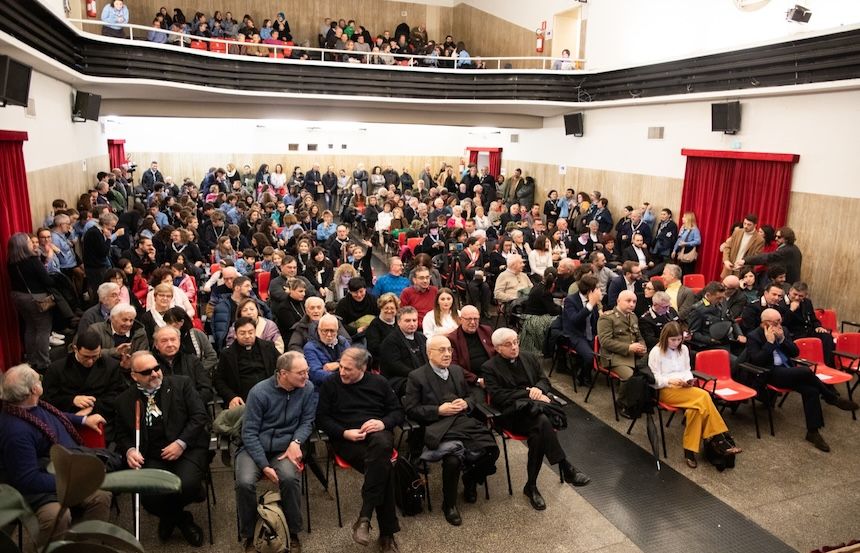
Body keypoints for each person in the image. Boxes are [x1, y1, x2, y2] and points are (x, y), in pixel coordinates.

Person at [0, 364, 111, 547]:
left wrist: (82, 419)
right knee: (57, 515)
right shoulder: (16, 432)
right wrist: (72, 482)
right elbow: (27, 479)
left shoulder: (29, 407)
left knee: (101, 496)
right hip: (38, 488)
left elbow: (55, 416)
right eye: (39, 379)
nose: (40, 381)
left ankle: (88, 548)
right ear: (34, 389)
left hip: (63, 470)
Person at [483, 328, 590, 511]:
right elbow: (499, 397)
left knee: (539, 430)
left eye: (516, 341)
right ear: (498, 348)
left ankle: (531, 486)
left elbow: (544, 380)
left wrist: (538, 389)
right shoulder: (490, 368)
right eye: (509, 344)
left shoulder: (529, 357)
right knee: (542, 423)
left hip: (537, 412)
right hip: (512, 415)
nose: (514, 347)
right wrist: (528, 393)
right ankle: (565, 467)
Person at [113, 351, 209, 546]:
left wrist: (180, 443)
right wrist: (130, 450)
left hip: (186, 448)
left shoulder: (181, 384)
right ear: (134, 376)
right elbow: (121, 434)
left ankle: (170, 517)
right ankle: (181, 519)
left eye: (156, 368)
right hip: (151, 454)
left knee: (186, 485)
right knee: (149, 497)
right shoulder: (124, 400)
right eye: (147, 372)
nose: (155, 374)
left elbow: (199, 416)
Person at [316, 348, 405, 553]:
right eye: (341, 367)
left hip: (377, 434)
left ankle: (365, 518)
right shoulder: (331, 384)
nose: (342, 373)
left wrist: (382, 422)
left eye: (348, 369)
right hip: (347, 439)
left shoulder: (379, 383)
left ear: (363, 368)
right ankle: (387, 534)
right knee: (384, 470)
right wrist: (344, 432)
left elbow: (398, 412)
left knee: (382, 448)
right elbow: (321, 418)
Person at [403, 335, 499, 526]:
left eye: (449, 349)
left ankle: (470, 479)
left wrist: (466, 402)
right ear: (429, 353)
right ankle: (449, 504)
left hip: (461, 422)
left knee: (491, 448)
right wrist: (438, 410)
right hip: (437, 426)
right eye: (442, 350)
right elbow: (411, 409)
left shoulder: (455, 371)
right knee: (453, 460)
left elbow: (472, 396)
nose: (447, 354)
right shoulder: (417, 376)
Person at [742, 309, 858, 452]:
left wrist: (782, 339)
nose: (779, 324)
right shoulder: (754, 336)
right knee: (805, 370)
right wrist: (770, 343)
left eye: (780, 321)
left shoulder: (782, 330)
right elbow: (757, 360)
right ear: (765, 323)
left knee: (811, 390)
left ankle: (813, 432)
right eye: (775, 322)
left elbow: (795, 352)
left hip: (788, 371)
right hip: (770, 373)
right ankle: (830, 397)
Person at [236, 352, 317, 553]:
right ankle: (249, 534)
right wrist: (264, 465)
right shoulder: (259, 392)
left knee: (289, 479)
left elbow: (308, 421)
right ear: (283, 373)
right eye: (301, 372)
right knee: (244, 483)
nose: (307, 376)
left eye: (307, 371)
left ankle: (293, 530)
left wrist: (296, 442)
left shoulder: (307, 388)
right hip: (255, 447)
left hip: (285, 446)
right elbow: (249, 432)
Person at [649, 322, 742, 468]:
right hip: (666, 390)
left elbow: (687, 370)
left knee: (696, 410)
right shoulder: (656, 352)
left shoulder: (684, 349)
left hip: (684, 389)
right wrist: (670, 381)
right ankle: (720, 438)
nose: (676, 342)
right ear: (665, 337)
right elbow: (654, 379)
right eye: (673, 340)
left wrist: (687, 380)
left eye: (679, 339)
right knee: (704, 396)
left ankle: (689, 452)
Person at [42, 328, 126, 418]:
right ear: (75, 349)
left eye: (95, 356)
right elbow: (48, 398)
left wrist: (92, 407)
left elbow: (117, 395)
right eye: (85, 356)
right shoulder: (57, 368)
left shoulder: (111, 366)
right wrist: (72, 400)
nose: (90, 361)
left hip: (101, 415)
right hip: (66, 416)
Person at [7, 232, 56, 372]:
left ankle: (32, 359)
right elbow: (47, 280)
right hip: (36, 297)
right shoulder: (33, 260)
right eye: (29, 241)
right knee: (43, 329)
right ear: (24, 245)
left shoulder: (11, 262)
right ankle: (43, 362)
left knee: (30, 327)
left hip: (17, 297)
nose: (31, 243)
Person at [215, 317, 280, 410]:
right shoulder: (227, 354)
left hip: (271, 396)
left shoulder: (268, 347)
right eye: (242, 333)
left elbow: (282, 368)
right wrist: (231, 397)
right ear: (235, 334)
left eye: (251, 332)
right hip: (243, 401)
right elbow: (219, 380)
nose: (247, 336)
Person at [151, 325, 214, 405]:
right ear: (156, 345)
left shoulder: (192, 360)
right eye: (164, 341)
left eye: (173, 339)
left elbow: (206, 389)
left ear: (179, 341)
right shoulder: (150, 364)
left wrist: (190, 404)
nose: (170, 344)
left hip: (193, 409)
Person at [445, 305, 495, 398]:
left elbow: (497, 353)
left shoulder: (486, 330)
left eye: (476, 319)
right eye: (469, 319)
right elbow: (454, 366)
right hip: (471, 379)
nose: (473, 322)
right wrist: (477, 380)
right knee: (479, 403)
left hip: (492, 375)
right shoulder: (453, 338)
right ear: (460, 320)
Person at [597, 290, 646, 382]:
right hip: (614, 358)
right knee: (632, 379)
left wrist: (642, 348)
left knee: (649, 376)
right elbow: (605, 342)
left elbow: (639, 336)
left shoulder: (633, 316)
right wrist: (628, 347)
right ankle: (625, 397)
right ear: (618, 301)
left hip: (633, 356)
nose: (632, 304)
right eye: (628, 301)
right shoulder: (607, 317)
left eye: (634, 302)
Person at [562, 274, 603, 387]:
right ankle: (584, 377)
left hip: (591, 333)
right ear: (590, 291)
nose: (600, 291)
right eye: (598, 288)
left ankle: (583, 370)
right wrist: (590, 305)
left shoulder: (594, 302)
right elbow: (575, 320)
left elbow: (595, 320)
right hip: (576, 334)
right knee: (589, 356)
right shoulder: (570, 300)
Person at [380, 306, 428, 397]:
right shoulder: (390, 341)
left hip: (422, 375)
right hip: (400, 379)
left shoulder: (422, 338)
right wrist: (418, 375)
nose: (412, 324)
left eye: (414, 320)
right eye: (407, 321)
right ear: (398, 322)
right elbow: (395, 366)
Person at [304, 314, 351, 386]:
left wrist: (338, 364)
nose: (329, 334)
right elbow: (316, 374)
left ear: (337, 330)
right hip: (323, 388)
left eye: (332, 331)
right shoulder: (310, 347)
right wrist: (344, 375)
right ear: (319, 330)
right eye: (325, 331)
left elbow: (352, 362)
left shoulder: (343, 341)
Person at [720, 214, 764, 279]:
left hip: (743, 272)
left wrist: (743, 264)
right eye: (744, 223)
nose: (745, 226)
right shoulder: (737, 232)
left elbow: (756, 257)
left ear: (755, 225)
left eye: (749, 224)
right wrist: (726, 260)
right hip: (729, 269)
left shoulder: (759, 239)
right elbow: (727, 246)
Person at [400, 265, 438, 329]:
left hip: (434, 327)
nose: (425, 280)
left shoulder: (435, 291)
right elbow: (402, 314)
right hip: (415, 328)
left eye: (427, 277)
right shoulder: (407, 292)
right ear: (414, 280)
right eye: (422, 278)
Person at [364, 293, 400, 358]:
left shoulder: (399, 321)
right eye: (386, 308)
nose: (389, 311)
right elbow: (374, 349)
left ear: (396, 309)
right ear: (381, 308)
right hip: (382, 359)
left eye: (392, 308)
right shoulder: (375, 325)